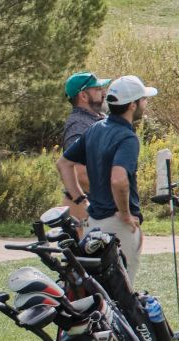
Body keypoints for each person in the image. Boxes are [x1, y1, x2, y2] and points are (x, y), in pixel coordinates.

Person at [65, 74, 158, 289]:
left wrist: (80, 199)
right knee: (122, 293)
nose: (145, 104)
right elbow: (118, 179)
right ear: (133, 105)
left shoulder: (96, 128)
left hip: (93, 223)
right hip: (117, 225)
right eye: (143, 100)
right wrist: (125, 213)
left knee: (100, 292)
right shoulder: (127, 137)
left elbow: (63, 163)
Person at [57, 71, 108, 217]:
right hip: (85, 206)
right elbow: (80, 174)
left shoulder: (97, 119)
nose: (104, 93)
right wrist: (112, 195)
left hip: (95, 203)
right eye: (98, 89)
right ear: (83, 96)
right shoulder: (78, 125)